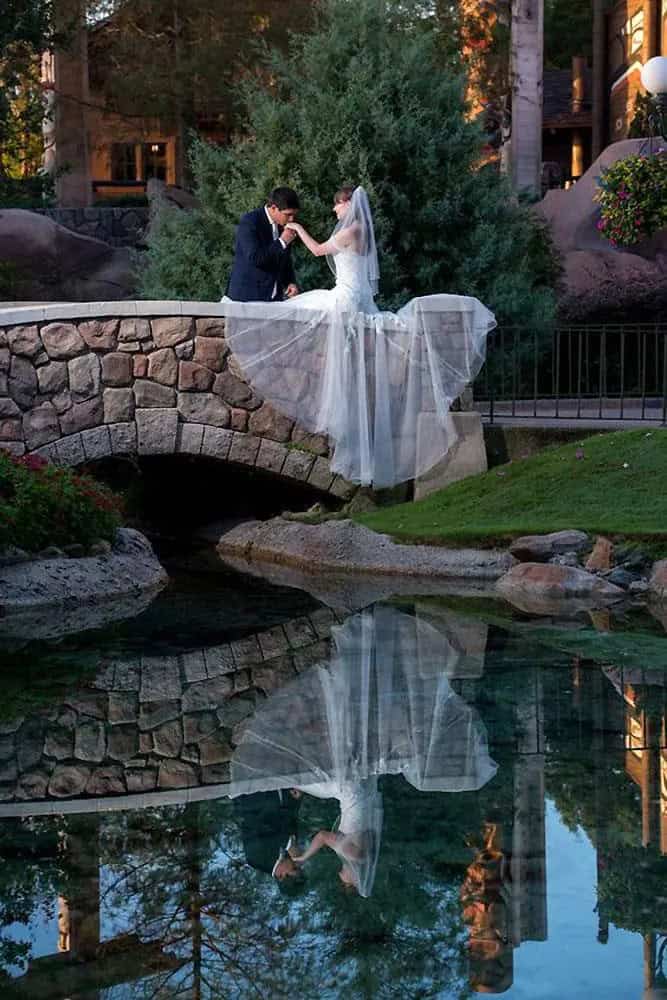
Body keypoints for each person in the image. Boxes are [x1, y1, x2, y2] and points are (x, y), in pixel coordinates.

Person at [221, 184, 496, 488]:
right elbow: (260, 258)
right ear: (272, 207)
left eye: (337, 205)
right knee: (300, 306)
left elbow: (316, 251)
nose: (333, 210)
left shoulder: (351, 231)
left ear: (348, 205)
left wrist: (295, 231)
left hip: (346, 300)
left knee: (301, 310)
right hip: (352, 297)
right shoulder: (260, 223)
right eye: (290, 214)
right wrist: (288, 268)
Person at [226, 187, 301, 303]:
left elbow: (284, 259)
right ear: (274, 208)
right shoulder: (250, 221)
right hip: (246, 298)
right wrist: (282, 241)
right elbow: (255, 258)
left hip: (274, 299)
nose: (292, 219)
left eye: (294, 215)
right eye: (288, 214)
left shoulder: (284, 225)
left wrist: (290, 282)